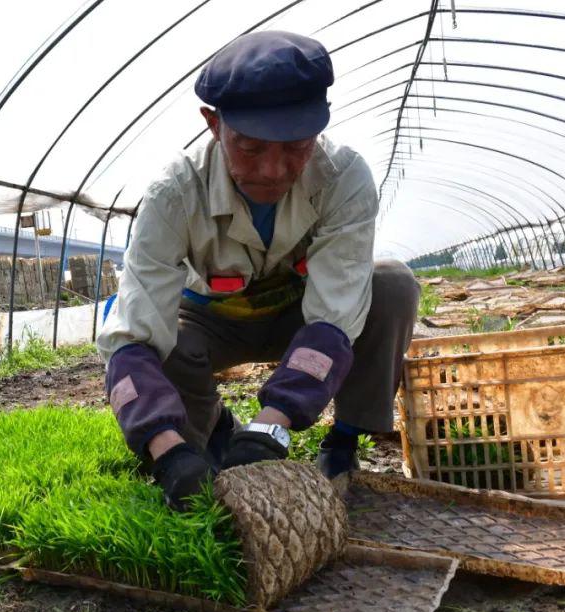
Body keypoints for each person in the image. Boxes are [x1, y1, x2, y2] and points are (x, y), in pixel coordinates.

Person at [96, 31, 419, 510]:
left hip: (302, 317)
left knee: (391, 285)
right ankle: (206, 436)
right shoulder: (174, 193)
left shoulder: (343, 177)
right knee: (159, 344)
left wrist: (273, 422)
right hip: (213, 320)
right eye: (250, 148)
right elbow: (132, 335)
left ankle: (343, 444)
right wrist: (165, 450)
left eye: (296, 147)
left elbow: (334, 314)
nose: (273, 170)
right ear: (213, 124)